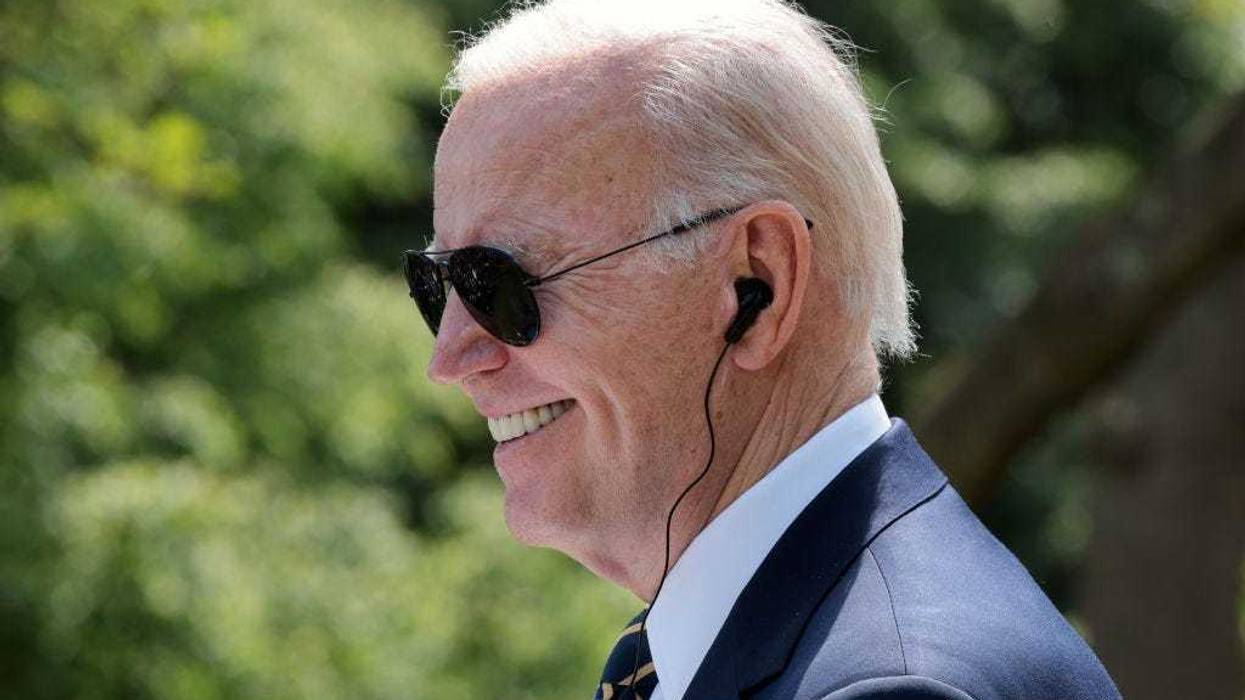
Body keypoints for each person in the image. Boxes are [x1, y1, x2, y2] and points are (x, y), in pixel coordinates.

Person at [404, 1, 1122, 698]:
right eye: (439, 285)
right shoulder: (742, 645)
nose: (450, 359)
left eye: (497, 283)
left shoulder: (893, 686)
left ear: (759, 285)